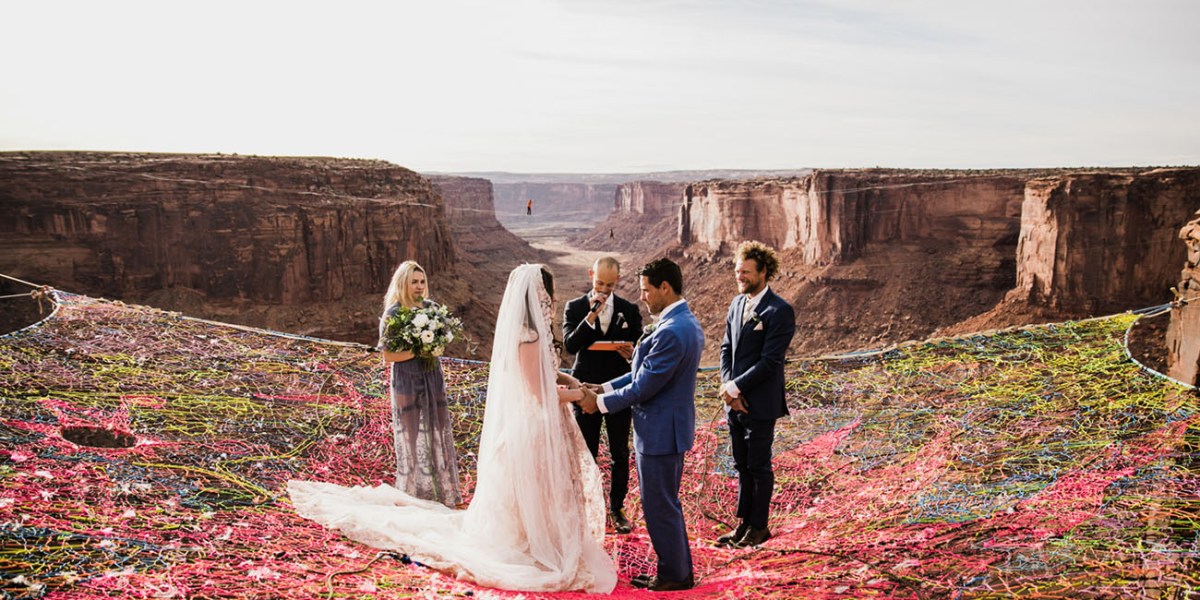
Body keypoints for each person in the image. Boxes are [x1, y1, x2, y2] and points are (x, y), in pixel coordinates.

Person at [288, 264, 617, 593]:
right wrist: (580, 396)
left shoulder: (535, 333)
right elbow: (538, 393)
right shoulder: (528, 337)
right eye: (549, 293)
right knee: (532, 488)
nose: (553, 299)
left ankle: (543, 538)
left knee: (542, 488)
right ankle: (534, 542)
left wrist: (571, 381)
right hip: (533, 426)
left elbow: (547, 374)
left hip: (542, 422)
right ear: (541, 295)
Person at [578, 258, 703, 592]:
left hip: (661, 433)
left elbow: (643, 387)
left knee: (659, 505)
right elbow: (640, 374)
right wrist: (603, 388)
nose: (643, 296)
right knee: (664, 504)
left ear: (665, 287)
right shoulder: (680, 322)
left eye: (647, 290)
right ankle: (676, 569)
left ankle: (675, 575)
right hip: (664, 430)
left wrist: (598, 404)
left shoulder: (673, 331)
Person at [716, 241, 796, 548]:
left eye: (746, 272)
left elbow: (770, 361)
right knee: (741, 464)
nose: (740, 277)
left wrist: (736, 387)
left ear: (764, 272)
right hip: (734, 403)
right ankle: (744, 525)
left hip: (760, 404)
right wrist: (728, 387)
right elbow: (726, 348)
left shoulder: (779, 310)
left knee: (759, 466)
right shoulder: (737, 304)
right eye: (738, 271)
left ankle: (760, 527)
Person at [563, 256, 643, 534]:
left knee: (620, 451)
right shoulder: (575, 307)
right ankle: (586, 507)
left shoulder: (629, 310)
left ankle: (617, 508)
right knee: (587, 450)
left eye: (610, 285)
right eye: (600, 284)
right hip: (585, 388)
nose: (605, 290)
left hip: (618, 390)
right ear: (591, 276)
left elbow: (640, 346)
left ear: (617, 280)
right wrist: (591, 316)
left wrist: (631, 352)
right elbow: (571, 345)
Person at [378, 260, 461, 508]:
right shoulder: (393, 313)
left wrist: (434, 348)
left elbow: (441, 345)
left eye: (422, 281)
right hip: (406, 378)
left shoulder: (432, 309)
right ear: (403, 283)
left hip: (432, 376)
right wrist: (418, 351)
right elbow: (388, 356)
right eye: (414, 281)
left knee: (437, 430)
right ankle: (411, 493)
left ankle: (440, 492)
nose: (419, 286)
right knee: (410, 435)